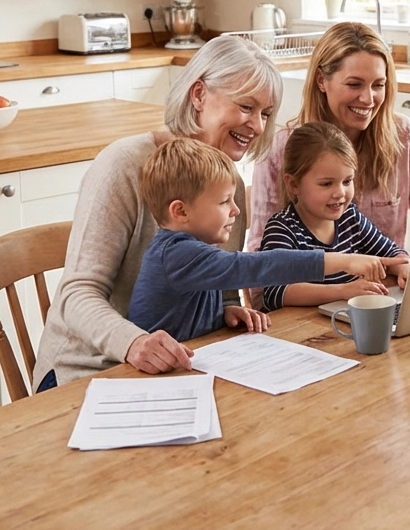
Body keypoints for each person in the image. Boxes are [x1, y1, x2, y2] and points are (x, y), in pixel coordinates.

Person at [33, 33, 283, 390]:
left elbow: (219, 281)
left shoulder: (229, 184)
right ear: (199, 95)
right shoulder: (122, 167)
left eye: (265, 114)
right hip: (88, 369)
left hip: (179, 364)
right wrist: (133, 343)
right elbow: (77, 294)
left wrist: (227, 309)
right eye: (246, 107)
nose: (258, 126)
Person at [128, 137, 393, 341]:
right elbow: (256, 266)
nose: (236, 210)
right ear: (181, 211)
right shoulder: (176, 254)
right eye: (224, 202)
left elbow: (186, 313)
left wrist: (223, 314)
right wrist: (341, 261)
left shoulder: (195, 251)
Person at [248, 21, 410, 255]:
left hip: (386, 289)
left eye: (378, 85)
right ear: (321, 80)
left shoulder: (403, 137)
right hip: (318, 291)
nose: (368, 99)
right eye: (354, 84)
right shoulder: (280, 149)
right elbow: (259, 255)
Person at [259, 121, 410, 309]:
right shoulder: (282, 229)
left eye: (347, 181)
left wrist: (403, 267)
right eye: (326, 184)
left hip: (337, 322)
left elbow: (391, 254)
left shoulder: (350, 218)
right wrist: (342, 291)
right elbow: (276, 293)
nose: (340, 193)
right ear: (293, 184)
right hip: (298, 330)